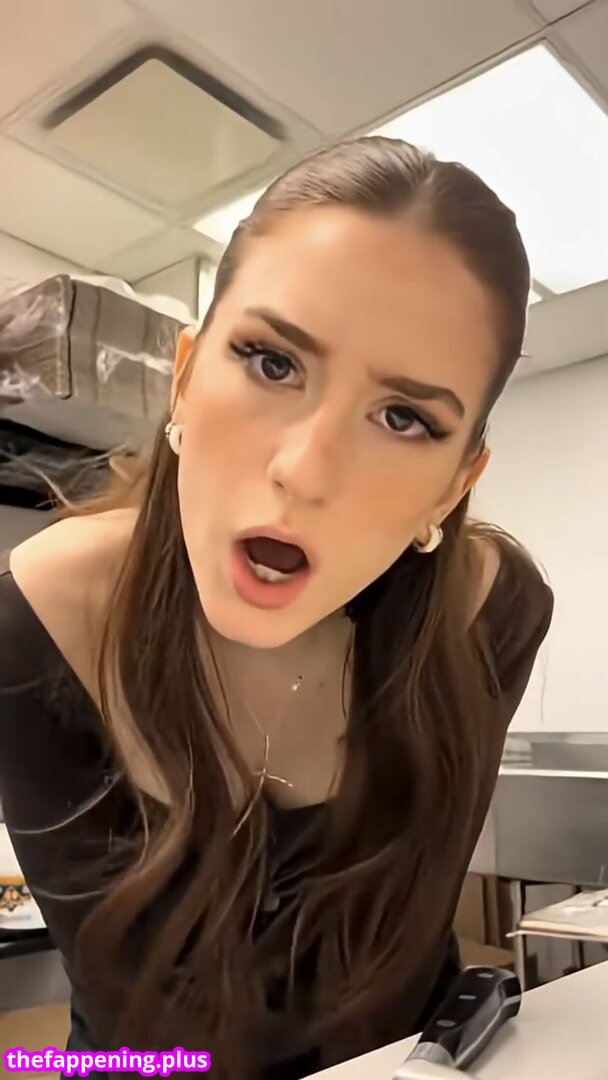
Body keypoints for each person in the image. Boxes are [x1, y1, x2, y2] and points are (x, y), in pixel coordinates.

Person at [0, 137, 553, 1080]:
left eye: (404, 418)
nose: (303, 469)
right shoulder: (42, 621)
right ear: (184, 379)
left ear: (454, 485)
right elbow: (152, 1023)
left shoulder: (491, 614)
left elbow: (404, 959)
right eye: (270, 361)